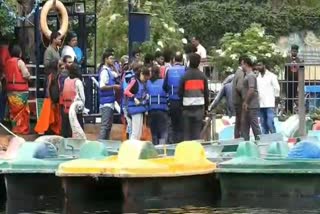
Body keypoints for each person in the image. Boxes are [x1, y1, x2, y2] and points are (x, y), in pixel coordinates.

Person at [178, 53, 209, 141]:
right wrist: (206, 108)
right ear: (199, 63)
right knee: (196, 134)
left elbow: (179, 93)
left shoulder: (184, 76)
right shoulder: (203, 77)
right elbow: (206, 94)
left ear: (189, 62)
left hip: (186, 109)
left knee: (187, 134)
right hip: (199, 109)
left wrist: (181, 106)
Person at [4, 45, 30, 134]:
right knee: (22, 111)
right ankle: (22, 129)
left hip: (10, 90)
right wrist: (29, 77)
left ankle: (15, 129)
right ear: (19, 53)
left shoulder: (7, 62)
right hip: (21, 90)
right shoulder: (20, 62)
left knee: (13, 111)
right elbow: (26, 74)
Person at [163, 52, 186, 143]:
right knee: (182, 124)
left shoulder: (169, 71)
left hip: (172, 101)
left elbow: (164, 86)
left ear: (174, 60)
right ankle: (181, 143)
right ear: (182, 60)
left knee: (173, 123)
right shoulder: (185, 70)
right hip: (183, 101)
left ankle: (173, 143)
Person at [34, 59, 62, 135]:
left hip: (49, 99)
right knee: (55, 117)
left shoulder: (49, 76)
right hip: (54, 100)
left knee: (46, 117)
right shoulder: (58, 76)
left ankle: (44, 130)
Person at [98, 52, 120, 140]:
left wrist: (114, 66)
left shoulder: (110, 71)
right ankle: (101, 144)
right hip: (106, 102)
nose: (113, 60)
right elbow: (102, 86)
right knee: (105, 125)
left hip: (110, 101)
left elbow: (117, 74)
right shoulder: (104, 72)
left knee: (108, 126)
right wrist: (114, 86)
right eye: (111, 58)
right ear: (106, 59)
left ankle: (105, 143)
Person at [124, 66, 150, 140]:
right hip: (134, 108)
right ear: (141, 74)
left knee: (139, 132)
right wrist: (133, 97)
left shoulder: (143, 83)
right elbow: (126, 91)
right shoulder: (134, 81)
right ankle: (132, 148)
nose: (145, 80)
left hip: (140, 108)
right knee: (135, 132)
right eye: (144, 77)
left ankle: (135, 147)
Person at [61, 63, 85, 138]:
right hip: (75, 111)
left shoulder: (66, 80)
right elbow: (83, 98)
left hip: (65, 110)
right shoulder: (78, 82)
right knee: (77, 132)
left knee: (66, 132)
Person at [240, 56, 262, 141]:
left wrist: (246, 102)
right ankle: (245, 142)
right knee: (245, 125)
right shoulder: (248, 75)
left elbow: (251, 89)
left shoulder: (251, 76)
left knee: (254, 125)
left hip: (251, 105)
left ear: (246, 64)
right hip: (248, 105)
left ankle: (260, 142)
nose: (241, 66)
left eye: (242, 64)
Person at [256, 60, 280, 134]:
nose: (258, 67)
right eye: (257, 65)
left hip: (270, 103)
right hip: (261, 104)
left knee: (270, 122)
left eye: (260, 65)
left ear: (264, 65)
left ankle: (275, 138)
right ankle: (265, 140)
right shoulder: (258, 77)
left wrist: (276, 99)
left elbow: (277, 88)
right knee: (263, 124)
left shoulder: (271, 76)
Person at [147, 66, 168, 145]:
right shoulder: (163, 82)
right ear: (159, 72)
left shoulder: (147, 82)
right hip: (162, 110)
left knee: (154, 132)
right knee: (163, 131)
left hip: (151, 110)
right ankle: (162, 149)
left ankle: (155, 148)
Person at [121, 63, 140, 139]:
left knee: (130, 125)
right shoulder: (132, 78)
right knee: (130, 126)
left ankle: (128, 141)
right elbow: (126, 91)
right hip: (127, 104)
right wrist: (133, 97)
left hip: (126, 103)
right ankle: (129, 143)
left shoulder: (127, 76)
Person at [285, 44, 303, 114]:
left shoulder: (299, 60)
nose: (294, 52)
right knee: (288, 96)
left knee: (293, 95)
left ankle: (291, 111)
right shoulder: (287, 59)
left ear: (297, 52)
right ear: (291, 51)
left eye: (295, 51)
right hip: (288, 80)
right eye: (293, 51)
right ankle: (287, 111)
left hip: (296, 81)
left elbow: (301, 69)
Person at [232, 56, 245, 138]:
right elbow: (240, 87)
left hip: (236, 100)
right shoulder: (241, 73)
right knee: (241, 120)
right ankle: (240, 137)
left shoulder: (237, 72)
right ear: (242, 62)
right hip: (240, 101)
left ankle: (237, 136)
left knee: (238, 120)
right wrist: (245, 97)